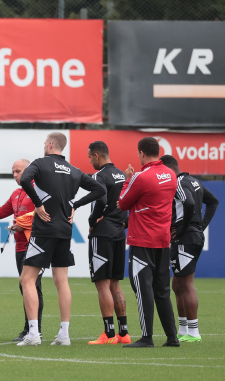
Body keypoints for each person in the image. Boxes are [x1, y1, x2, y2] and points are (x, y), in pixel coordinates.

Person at [18, 132, 105, 347]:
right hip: (64, 231)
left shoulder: (40, 163)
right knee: (61, 280)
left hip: (44, 230)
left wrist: (37, 204)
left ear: (49, 145)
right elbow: (100, 189)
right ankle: (64, 335)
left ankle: (33, 334)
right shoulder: (74, 170)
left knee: (27, 280)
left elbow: (24, 179)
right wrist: (75, 205)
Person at [117, 137, 179, 348]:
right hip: (163, 241)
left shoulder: (141, 177)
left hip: (142, 241)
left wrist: (127, 179)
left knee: (143, 289)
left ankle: (147, 338)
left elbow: (123, 202)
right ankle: (172, 338)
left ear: (142, 153)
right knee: (162, 290)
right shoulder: (170, 174)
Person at [0, 159, 43, 342]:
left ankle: (34, 330)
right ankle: (30, 329)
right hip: (19, 247)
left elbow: (44, 213)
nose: (15, 175)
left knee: (32, 286)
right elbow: (1, 212)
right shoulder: (16, 194)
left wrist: (22, 224)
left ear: (28, 171)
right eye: (13, 172)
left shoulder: (39, 190)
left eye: (18, 171)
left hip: (34, 244)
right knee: (25, 287)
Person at [160, 155, 219, 343]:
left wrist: (185, 227)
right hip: (193, 236)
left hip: (185, 238)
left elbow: (190, 204)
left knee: (186, 285)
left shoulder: (176, 184)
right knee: (177, 285)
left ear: (169, 170)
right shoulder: (194, 181)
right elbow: (213, 201)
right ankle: (184, 328)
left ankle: (193, 332)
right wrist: (201, 226)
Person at [81, 141, 131, 345]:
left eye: (89, 157)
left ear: (97, 156)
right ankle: (124, 333)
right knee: (115, 285)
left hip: (102, 234)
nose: (90, 161)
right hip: (119, 232)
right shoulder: (121, 174)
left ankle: (109, 334)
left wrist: (92, 221)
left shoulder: (99, 176)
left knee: (102, 285)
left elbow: (100, 200)